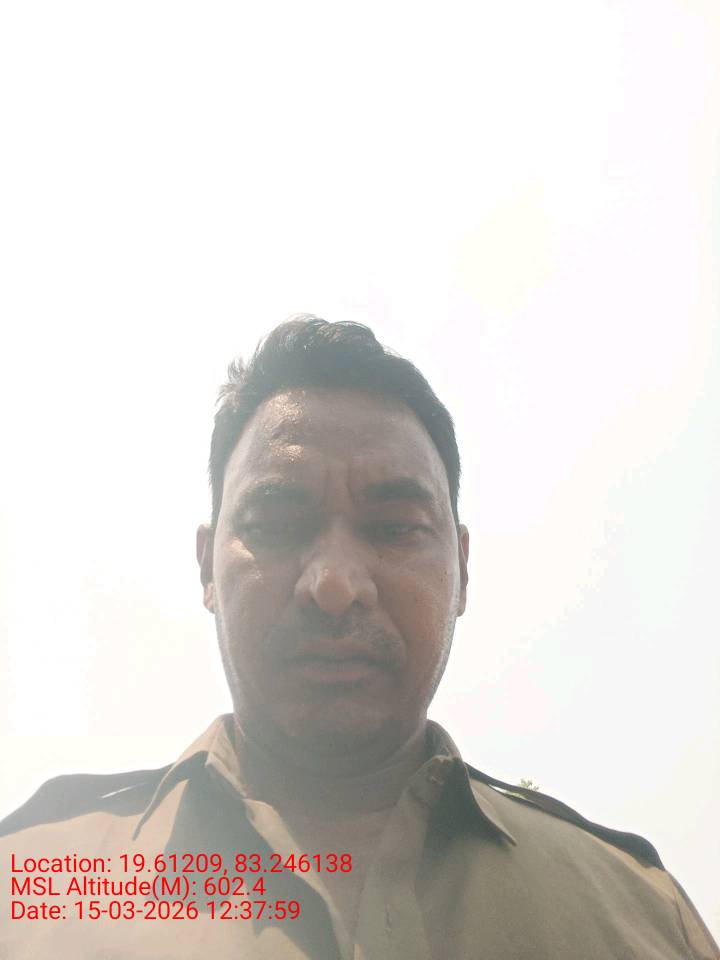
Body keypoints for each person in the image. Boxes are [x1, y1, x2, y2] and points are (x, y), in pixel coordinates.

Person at [1, 317, 717, 959]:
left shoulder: (643, 918)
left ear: (463, 571)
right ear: (207, 567)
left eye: (394, 527)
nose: (335, 585)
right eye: (276, 524)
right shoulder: (31, 890)